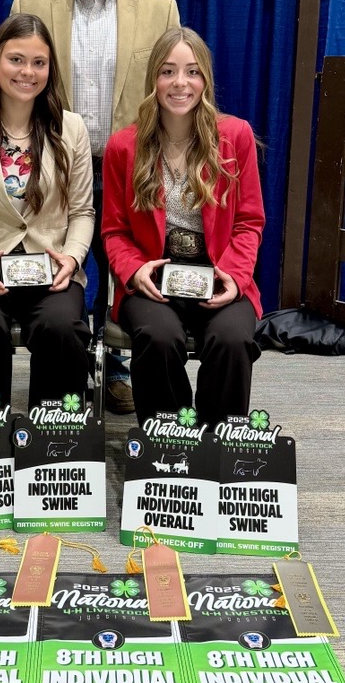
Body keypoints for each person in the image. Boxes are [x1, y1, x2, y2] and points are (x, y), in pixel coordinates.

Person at [11, 0, 180, 415]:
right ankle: (70, 368)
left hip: (132, 170)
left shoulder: (160, 7)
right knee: (61, 273)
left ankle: (121, 371)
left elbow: (171, 87)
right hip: (55, 170)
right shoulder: (31, 1)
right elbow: (19, 83)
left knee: (127, 276)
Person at [101, 27, 265, 428]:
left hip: (218, 274)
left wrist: (236, 277)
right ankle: (170, 440)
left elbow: (249, 221)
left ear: (205, 79)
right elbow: (114, 232)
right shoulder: (124, 146)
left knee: (232, 339)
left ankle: (217, 442)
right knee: (158, 338)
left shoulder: (235, 136)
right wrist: (135, 271)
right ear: (153, 79)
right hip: (153, 277)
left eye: (192, 72)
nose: (180, 83)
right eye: (168, 71)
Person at [0, 13, 94, 409]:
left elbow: (82, 212)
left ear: (50, 69)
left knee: (61, 326)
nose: (27, 72)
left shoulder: (71, 129)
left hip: (52, 267)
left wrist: (73, 259)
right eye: (16, 59)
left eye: (39, 62)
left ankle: (53, 444)